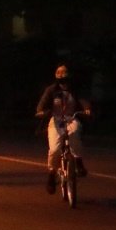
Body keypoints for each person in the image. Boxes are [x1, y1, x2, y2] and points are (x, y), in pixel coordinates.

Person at [35, 63, 91, 194]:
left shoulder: (75, 89)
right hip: (56, 121)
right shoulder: (51, 90)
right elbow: (42, 104)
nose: (62, 78)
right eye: (60, 74)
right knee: (55, 150)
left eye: (65, 74)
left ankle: (78, 162)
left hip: (71, 119)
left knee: (74, 134)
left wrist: (86, 109)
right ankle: (52, 174)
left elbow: (83, 101)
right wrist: (41, 111)